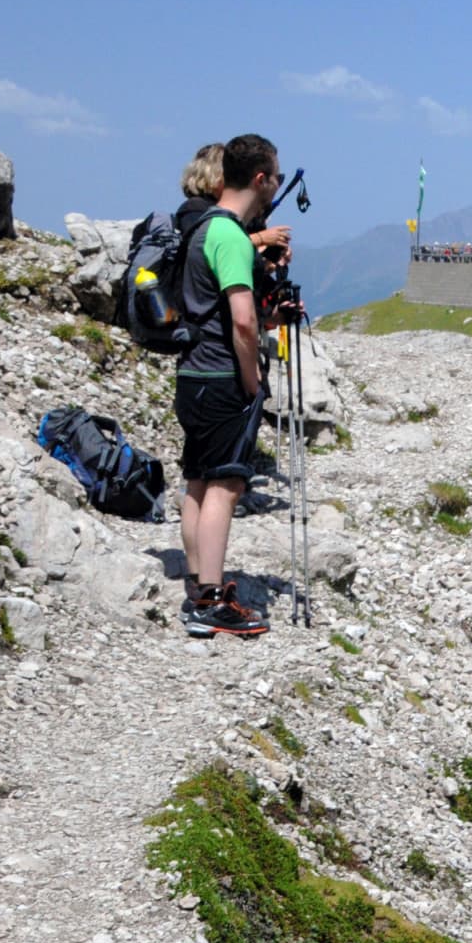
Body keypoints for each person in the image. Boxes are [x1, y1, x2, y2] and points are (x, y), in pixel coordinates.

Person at [172, 134, 284, 638]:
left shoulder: (201, 226)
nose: (277, 185)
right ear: (259, 179)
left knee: (198, 481)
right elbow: (242, 320)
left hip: (192, 373)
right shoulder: (232, 236)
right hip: (222, 376)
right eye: (274, 176)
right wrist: (251, 378)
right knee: (226, 485)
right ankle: (213, 602)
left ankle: (199, 585)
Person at [177, 142, 291, 268]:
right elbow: (204, 247)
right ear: (215, 175)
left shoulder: (226, 214)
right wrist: (261, 238)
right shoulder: (194, 208)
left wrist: (268, 258)